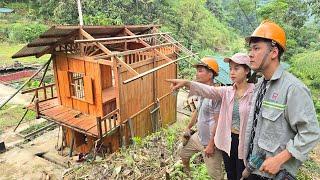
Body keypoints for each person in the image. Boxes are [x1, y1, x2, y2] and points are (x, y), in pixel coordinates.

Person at [243, 20, 320, 179]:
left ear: (274, 52)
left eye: (256, 48)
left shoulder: (293, 89)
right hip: (255, 170)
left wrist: (279, 159)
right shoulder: (260, 85)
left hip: (275, 174)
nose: (250, 54)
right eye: (250, 49)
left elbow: (311, 132)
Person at [168, 53, 254, 180]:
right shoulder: (227, 91)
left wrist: (210, 144)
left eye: (236, 68)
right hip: (227, 140)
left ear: (247, 70)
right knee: (231, 173)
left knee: (241, 174)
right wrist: (187, 83)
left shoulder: (255, 93)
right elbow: (208, 91)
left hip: (243, 141)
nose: (232, 72)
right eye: (230, 68)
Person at [179, 57, 223, 179]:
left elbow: (218, 122)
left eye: (200, 71)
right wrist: (188, 128)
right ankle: (189, 175)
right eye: (197, 70)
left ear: (210, 74)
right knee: (183, 153)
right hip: (198, 137)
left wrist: (211, 144)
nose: (196, 74)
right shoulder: (202, 93)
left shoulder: (215, 95)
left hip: (210, 143)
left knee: (215, 176)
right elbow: (197, 112)